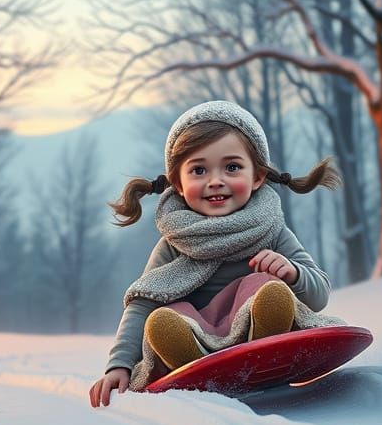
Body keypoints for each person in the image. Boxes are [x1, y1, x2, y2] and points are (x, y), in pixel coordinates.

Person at [89, 100, 343, 408]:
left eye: (232, 167)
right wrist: (120, 364)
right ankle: (192, 360)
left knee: (268, 288)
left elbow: (318, 296)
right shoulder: (176, 242)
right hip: (198, 336)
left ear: (258, 176)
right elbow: (142, 302)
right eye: (198, 170)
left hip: (257, 328)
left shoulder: (270, 229)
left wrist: (292, 272)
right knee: (164, 318)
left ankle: (263, 344)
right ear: (179, 185)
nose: (215, 181)